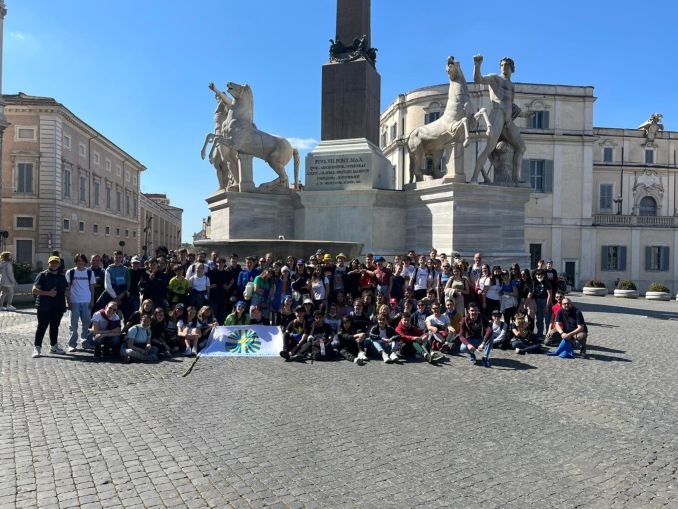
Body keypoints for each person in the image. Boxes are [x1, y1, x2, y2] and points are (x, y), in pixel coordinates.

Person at [471, 55, 525, 183]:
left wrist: (526, 114)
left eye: (506, 65)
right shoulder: (495, 79)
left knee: (521, 147)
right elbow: (478, 79)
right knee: (488, 148)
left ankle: (516, 179)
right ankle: (474, 178)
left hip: (508, 120)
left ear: (511, 68)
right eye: (502, 65)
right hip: (497, 115)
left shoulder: (512, 86)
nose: (503, 67)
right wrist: (477, 65)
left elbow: (510, 105)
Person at [31, 256, 68, 358]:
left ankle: (54, 347)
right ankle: (37, 348)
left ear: (59, 264)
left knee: (55, 327)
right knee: (42, 327)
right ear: (48, 264)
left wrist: (68, 300)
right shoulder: (42, 275)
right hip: (44, 305)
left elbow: (66, 290)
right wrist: (48, 293)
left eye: (56, 263)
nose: (54, 264)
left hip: (58, 306)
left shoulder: (61, 276)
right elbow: (34, 290)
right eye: (52, 263)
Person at [64, 254, 97, 352]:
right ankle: (72, 344)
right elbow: (67, 288)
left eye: (82, 260)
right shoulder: (70, 272)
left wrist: (92, 301)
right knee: (73, 325)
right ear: (75, 262)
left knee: (86, 324)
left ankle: (85, 342)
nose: (80, 262)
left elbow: (92, 288)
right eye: (78, 260)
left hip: (86, 301)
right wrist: (68, 301)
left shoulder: (90, 272)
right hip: (74, 301)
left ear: (85, 261)